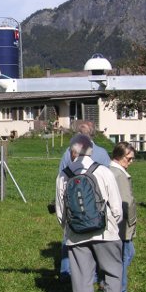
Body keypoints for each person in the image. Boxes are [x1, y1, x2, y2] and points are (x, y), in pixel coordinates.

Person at [55, 134, 129, 292]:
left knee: (81, 281)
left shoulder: (64, 175)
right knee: (114, 273)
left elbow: (61, 214)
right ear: (91, 151)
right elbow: (116, 207)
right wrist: (113, 225)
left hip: (76, 236)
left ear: (72, 152)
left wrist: (70, 230)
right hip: (105, 232)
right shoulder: (104, 171)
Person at [59, 120, 111, 281]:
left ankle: (66, 271)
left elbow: (61, 175)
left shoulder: (68, 152)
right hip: (96, 202)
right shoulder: (102, 153)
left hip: (73, 201)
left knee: (70, 235)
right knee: (97, 236)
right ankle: (96, 274)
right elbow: (108, 178)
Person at [110, 142, 137, 292]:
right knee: (126, 255)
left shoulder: (109, 170)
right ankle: (120, 290)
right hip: (122, 223)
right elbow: (127, 201)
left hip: (112, 221)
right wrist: (132, 221)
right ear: (120, 157)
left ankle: (107, 282)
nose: (131, 162)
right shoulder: (120, 175)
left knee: (118, 254)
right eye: (129, 158)